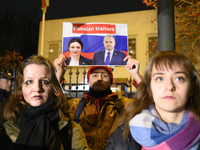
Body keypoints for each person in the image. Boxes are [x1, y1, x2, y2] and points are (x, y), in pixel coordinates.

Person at [105, 50, 200, 150]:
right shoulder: (120, 137)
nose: (169, 86)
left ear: (192, 88)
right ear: (150, 87)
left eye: (179, 78)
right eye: (160, 78)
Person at [54, 54, 142, 150]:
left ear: (111, 81)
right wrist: (59, 73)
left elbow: (150, 102)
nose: (99, 78)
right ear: (88, 81)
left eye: (104, 75)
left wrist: (136, 75)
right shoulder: (75, 106)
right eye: (95, 75)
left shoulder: (125, 105)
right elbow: (52, 104)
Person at [1, 55, 89, 150]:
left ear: (53, 88)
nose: (37, 89)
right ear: (20, 88)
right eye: (29, 82)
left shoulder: (71, 130)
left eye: (44, 82)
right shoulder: (6, 131)